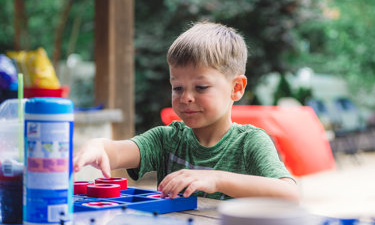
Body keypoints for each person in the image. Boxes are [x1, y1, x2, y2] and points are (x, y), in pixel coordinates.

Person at [74, 21, 299, 201]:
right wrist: (98, 146)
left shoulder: (250, 143)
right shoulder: (166, 139)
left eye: (201, 87)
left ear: (236, 88)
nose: (186, 97)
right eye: (177, 87)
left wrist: (218, 180)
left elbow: (289, 194)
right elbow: (115, 152)